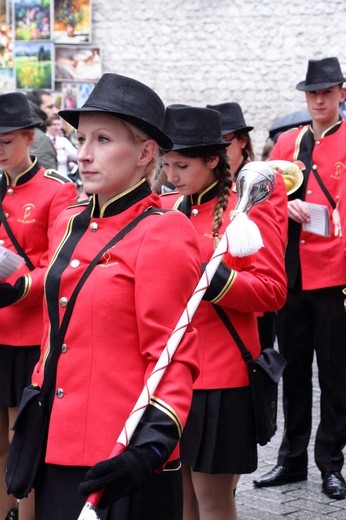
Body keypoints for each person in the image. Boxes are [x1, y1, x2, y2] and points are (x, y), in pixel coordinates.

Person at [4, 73, 201, 520]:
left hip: (121, 459)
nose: (85, 153)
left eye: (104, 139)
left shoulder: (164, 233)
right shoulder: (71, 221)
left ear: (146, 153)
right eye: (82, 138)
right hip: (54, 445)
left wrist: (147, 450)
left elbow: (174, 357)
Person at [160, 105, 287, 520]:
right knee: (179, 497)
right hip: (175, 374)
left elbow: (272, 292)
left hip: (222, 376)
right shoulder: (169, 209)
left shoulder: (245, 208)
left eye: (181, 165)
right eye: (166, 164)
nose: (170, 175)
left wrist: (214, 281)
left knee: (212, 499)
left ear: (213, 160)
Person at [253, 56, 346, 500]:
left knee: (334, 375)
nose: (320, 99)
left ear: (342, 94)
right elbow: (261, 196)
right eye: (313, 93)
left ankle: (330, 463)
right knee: (292, 373)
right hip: (290, 275)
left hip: (335, 276)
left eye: (327, 91)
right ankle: (291, 461)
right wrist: (281, 207)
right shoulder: (287, 143)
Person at [0, 92, 77, 520]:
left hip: (30, 333)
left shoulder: (56, 191)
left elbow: (60, 262)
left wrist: (19, 289)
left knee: (22, 440)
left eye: (6, 141)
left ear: (29, 138)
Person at [206, 101, 288, 351]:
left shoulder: (265, 180)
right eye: (214, 143)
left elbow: (274, 242)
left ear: (242, 141)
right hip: (213, 299)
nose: (221, 149)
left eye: (226, 141)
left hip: (249, 292)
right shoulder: (206, 185)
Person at [26, 89, 59, 170]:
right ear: (37, 108)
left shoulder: (31, 133)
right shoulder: (38, 138)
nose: (55, 111)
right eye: (50, 107)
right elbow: (48, 178)